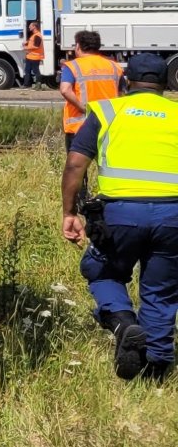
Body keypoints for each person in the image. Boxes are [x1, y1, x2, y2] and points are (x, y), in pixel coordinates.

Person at [61, 53, 178, 381]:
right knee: (161, 290)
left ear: (126, 82)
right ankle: (155, 369)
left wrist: (69, 212)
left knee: (102, 272)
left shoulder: (106, 111)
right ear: (166, 84)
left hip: (120, 214)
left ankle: (124, 323)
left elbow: (75, 164)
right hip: (173, 215)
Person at [59, 31, 123, 154]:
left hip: (79, 126)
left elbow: (65, 89)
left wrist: (83, 108)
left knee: (76, 165)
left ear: (78, 46)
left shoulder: (73, 66)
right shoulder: (114, 66)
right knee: (105, 162)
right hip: (107, 124)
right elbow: (122, 94)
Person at [23, 20, 46, 88]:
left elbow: (36, 46)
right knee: (27, 71)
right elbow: (32, 43)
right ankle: (26, 84)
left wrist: (26, 47)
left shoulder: (37, 35)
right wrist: (26, 43)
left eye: (30, 26)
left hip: (35, 57)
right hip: (30, 56)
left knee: (36, 71)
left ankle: (38, 85)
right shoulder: (34, 35)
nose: (29, 27)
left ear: (34, 27)